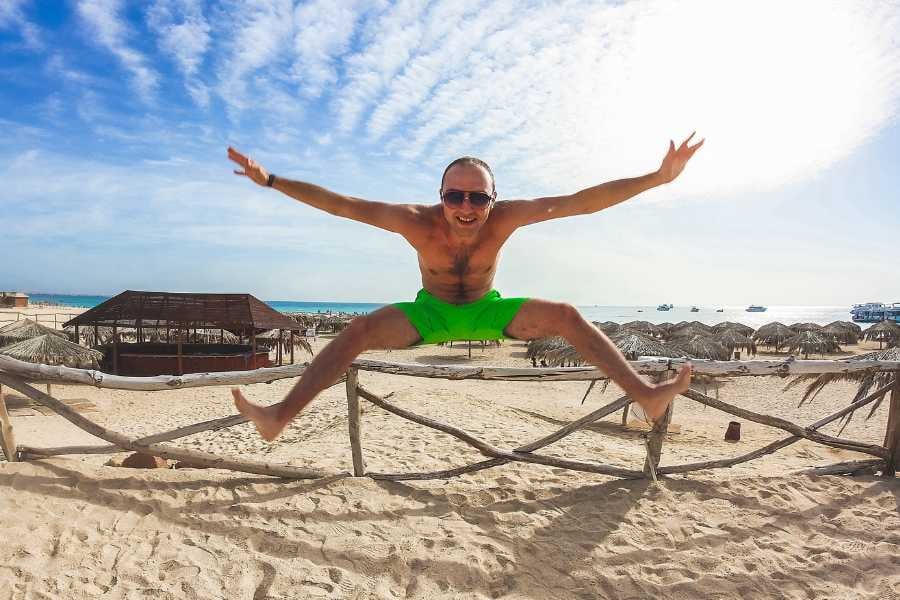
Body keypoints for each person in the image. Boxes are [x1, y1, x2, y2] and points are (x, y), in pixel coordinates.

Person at [228, 135, 703, 441]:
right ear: (441, 198)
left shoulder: (509, 217)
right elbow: (342, 205)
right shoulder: (414, 221)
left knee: (566, 314)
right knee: (355, 331)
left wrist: (658, 178)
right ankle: (279, 416)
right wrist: (270, 180)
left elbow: (581, 202)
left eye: (478, 196)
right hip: (429, 312)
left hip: (487, 311)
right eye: (455, 195)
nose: (466, 205)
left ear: (493, 200)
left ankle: (645, 393)